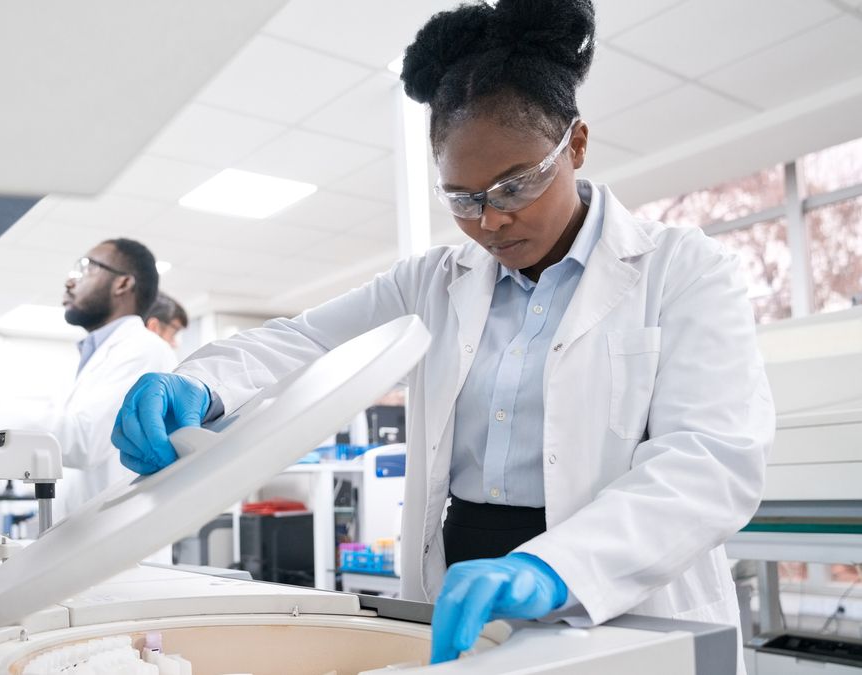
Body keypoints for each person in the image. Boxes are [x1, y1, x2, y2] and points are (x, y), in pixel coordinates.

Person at [110, 1, 773, 671]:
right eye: (461, 198)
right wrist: (200, 382)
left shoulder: (681, 268)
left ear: (574, 143)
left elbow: (708, 460)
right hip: (463, 578)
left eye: (514, 186)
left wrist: (554, 565)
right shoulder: (430, 282)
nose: (489, 221)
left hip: (619, 582)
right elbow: (306, 342)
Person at [0, 238, 177, 518]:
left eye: (86, 268)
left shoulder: (144, 349)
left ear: (122, 284)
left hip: (119, 539)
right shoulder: (94, 358)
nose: (70, 283)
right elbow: (49, 438)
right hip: (88, 535)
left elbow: (83, 440)